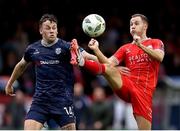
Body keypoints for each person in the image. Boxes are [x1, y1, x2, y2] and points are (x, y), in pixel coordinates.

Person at [71, 13, 165, 130]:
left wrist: (140, 45)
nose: (133, 26)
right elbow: (108, 63)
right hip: (127, 85)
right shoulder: (125, 48)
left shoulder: (156, 42)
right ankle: (82, 61)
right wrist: (96, 50)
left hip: (144, 92)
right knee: (109, 68)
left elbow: (160, 57)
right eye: (131, 24)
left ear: (145, 26)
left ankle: (84, 57)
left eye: (136, 23)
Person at [5, 13, 97, 130]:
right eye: (48, 28)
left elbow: (91, 58)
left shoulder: (67, 47)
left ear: (57, 30)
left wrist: (103, 62)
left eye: (54, 28)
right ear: (40, 30)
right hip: (40, 102)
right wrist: (10, 83)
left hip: (63, 102)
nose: (52, 31)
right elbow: (21, 65)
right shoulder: (33, 49)